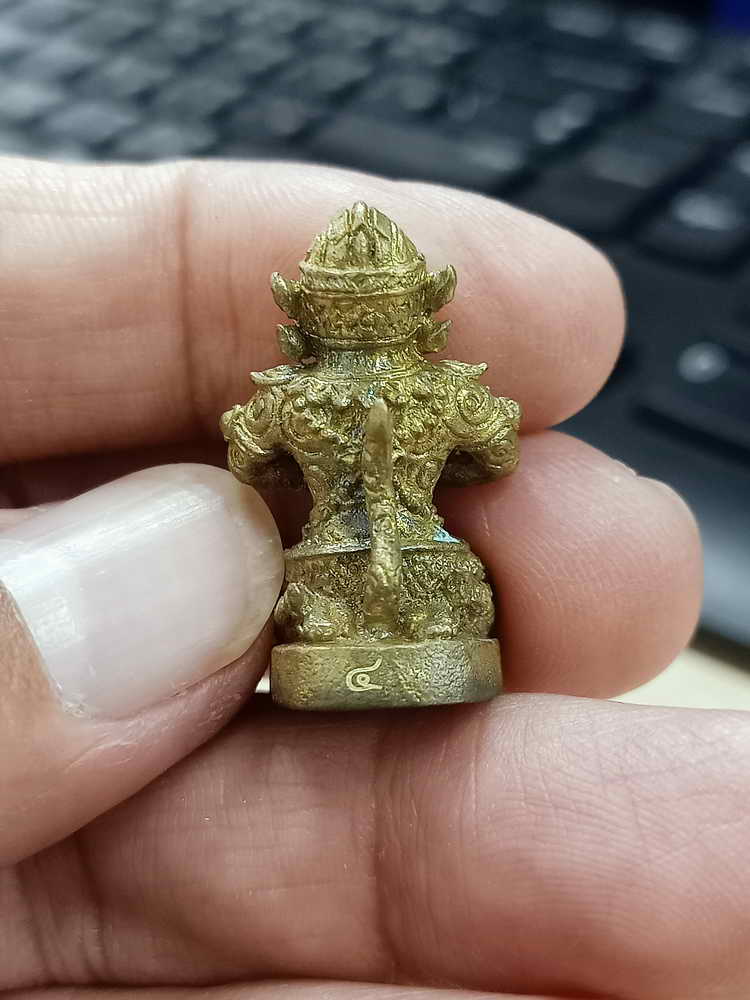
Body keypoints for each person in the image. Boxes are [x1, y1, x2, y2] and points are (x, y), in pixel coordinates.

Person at [0, 157, 737, 1000]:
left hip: (323, 585)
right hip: (438, 582)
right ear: (423, 309)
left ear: (305, 313)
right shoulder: (445, 391)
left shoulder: (286, 398)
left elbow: (252, 464)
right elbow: (497, 454)